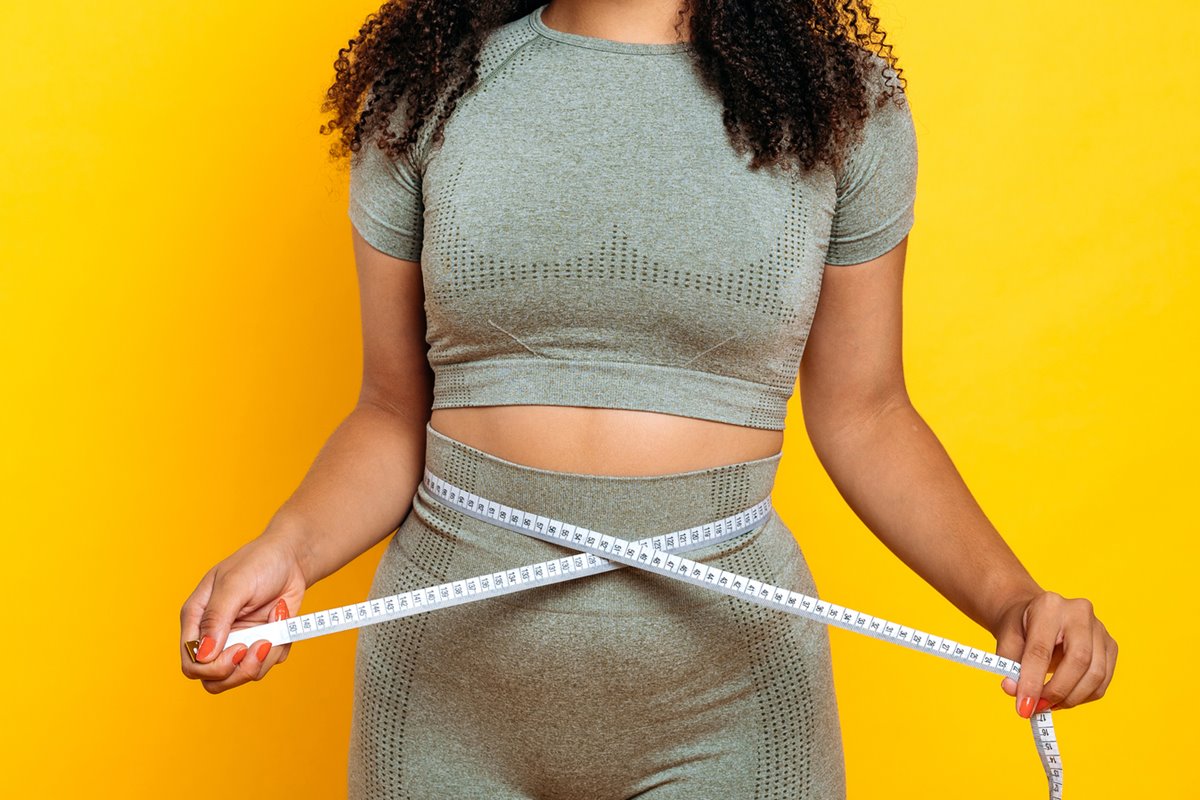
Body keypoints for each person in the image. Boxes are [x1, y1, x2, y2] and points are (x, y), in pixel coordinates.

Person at [179, 2, 1118, 798]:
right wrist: (286, 550)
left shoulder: (840, 107)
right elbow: (389, 412)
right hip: (447, 692)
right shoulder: (426, 93)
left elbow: (866, 411)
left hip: (732, 694)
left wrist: (1013, 600)